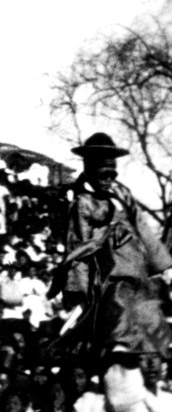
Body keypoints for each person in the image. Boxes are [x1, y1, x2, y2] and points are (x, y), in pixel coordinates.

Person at [55, 132, 172, 364]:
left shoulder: (122, 194)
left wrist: (165, 267)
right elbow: (77, 247)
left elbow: (143, 228)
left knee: (155, 321)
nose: (109, 178)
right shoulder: (82, 203)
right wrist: (79, 292)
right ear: (90, 168)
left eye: (113, 171)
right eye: (104, 172)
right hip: (109, 281)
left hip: (138, 276)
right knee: (119, 319)